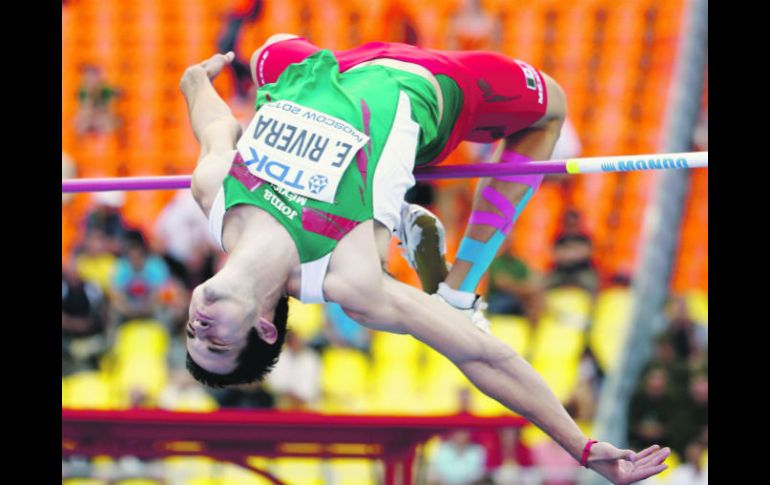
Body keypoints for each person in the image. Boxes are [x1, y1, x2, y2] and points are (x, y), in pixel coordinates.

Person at [179, 36, 670, 483]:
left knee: (271, 51)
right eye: (216, 342)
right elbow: (481, 356)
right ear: (265, 327)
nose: (200, 328)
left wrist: (195, 83)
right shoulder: (348, 279)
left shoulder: (215, 193)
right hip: (427, 83)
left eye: (191, 333)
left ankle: (393, 213)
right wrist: (581, 446)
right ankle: (457, 287)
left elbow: (217, 125)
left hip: (323, 70)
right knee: (550, 108)